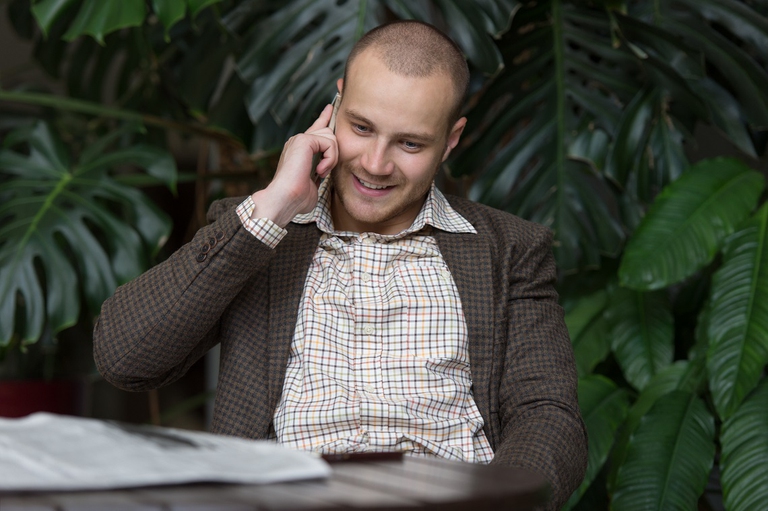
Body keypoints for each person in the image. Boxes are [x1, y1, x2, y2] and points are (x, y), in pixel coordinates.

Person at [94, 20, 587, 509]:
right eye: (361, 127)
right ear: (336, 105)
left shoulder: (508, 249)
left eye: (409, 143)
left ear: (451, 138)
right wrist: (274, 207)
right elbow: (125, 359)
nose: (375, 163)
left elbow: (547, 415)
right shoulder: (262, 232)